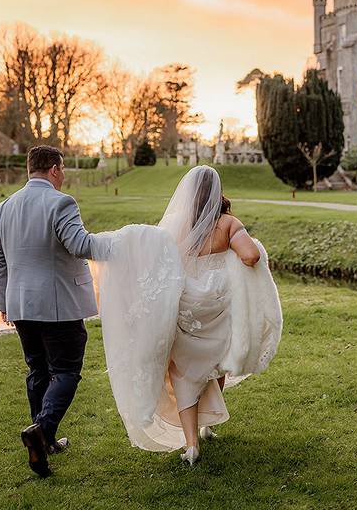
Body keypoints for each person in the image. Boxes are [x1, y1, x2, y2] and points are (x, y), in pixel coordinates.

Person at [92, 165, 282, 465]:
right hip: (218, 307)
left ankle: (192, 444)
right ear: (218, 192)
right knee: (217, 365)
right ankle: (207, 425)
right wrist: (236, 254)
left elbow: (160, 263)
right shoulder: (229, 224)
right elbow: (251, 256)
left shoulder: (176, 225)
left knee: (182, 373)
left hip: (187, 306)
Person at [0, 145, 96, 478]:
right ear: (53, 169)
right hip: (58, 305)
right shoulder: (61, 202)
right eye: (62, 169)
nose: (63, 175)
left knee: (37, 370)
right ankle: (42, 432)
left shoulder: (4, 207)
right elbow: (80, 245)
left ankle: (43, 443)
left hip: (20, 304)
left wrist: (4, 301)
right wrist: (120, 243)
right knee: (65, 371)